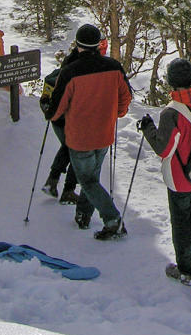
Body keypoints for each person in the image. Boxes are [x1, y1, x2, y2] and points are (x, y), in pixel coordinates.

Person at [137, 58, 191, 286]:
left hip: (180, 177)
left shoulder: (172, 113)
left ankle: (186, 269)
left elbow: (163, 148)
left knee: (180, 220)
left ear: (171, 83)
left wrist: (148, 129)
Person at [48, 22, 132, 239]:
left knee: (88, 181)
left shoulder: (70, 72)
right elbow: (125, 96)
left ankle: (113, 220)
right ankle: (83, 216)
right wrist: (117, 113)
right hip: (104, 133)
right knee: (92, 177)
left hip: (80, 137)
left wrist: (53, 116)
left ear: (78, 46)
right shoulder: (114, 67)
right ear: (98, 44)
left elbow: (57, 109)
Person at [39, 47, 80, 203]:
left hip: (57, 121)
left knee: (67, 147)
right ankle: (68, 190)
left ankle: (52, 181)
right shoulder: (75, 75)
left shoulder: (58, 74)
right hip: (69, 120)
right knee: (76, 151)